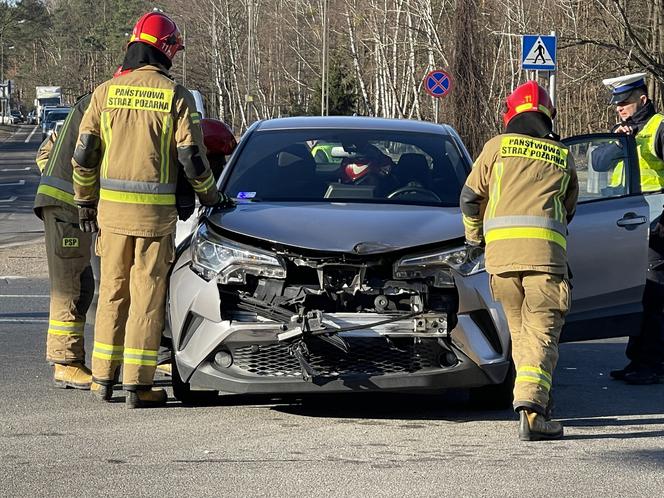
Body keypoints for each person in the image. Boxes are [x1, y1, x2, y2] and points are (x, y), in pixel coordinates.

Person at [72, 11, 232, 409]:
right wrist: (211, 198)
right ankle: (137, 385)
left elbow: (85, 154)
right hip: (154, 220)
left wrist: (84, 199)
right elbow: (192, 157)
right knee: (147, 297)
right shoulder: (173, 97)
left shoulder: (105, 92)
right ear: (166, 50)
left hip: (110, 217)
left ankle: (103, 379)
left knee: (111, 293)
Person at [460, 81, 579, 441]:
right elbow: (568, 210)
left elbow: (469, 198)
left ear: (509, 114)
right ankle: (532, 412)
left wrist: (474, 239)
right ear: (548, 117)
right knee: (541, 334)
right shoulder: (561, 156)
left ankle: (537, 400)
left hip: (501, 263)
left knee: (522, 335)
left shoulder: (496, 148)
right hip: (545, 260)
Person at [599, 73, 664, 384]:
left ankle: (652, 364)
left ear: (642, 98)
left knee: (654, 297)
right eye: (617, 105)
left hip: (657, 225)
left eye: (625, 103)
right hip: (627, 227)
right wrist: (617, 141)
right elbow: (598, 162)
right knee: (635, 295)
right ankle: (637, 361)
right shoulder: (623, 132)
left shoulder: (658, 128)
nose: (620, 109)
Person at [34, 93, 94, 390]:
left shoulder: (86, 104)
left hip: (66, 206)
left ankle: (69, 360)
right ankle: (65, 363)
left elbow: (45, 152)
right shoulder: (102, 104)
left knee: (81, 284)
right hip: (68, 209)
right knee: (71, 286)